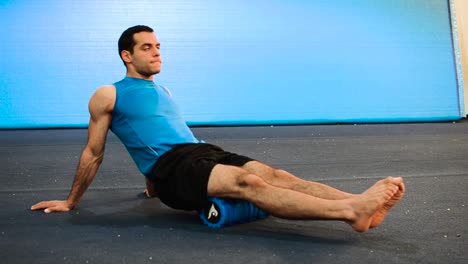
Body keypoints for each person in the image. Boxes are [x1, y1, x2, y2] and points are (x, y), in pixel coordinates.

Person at [31, 25, 405, 232]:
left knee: (275, 174)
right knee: (252, 185)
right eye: (147, 47)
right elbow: (95, 152)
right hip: (173, 168)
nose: (157, 52)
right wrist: (71, 201)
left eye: (159, 45)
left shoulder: (163, 90)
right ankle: (349, 213)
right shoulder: (108, 93)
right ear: (127, 55)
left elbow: (151, 135)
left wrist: (148, 187)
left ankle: (358, 203)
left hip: (199, 152)